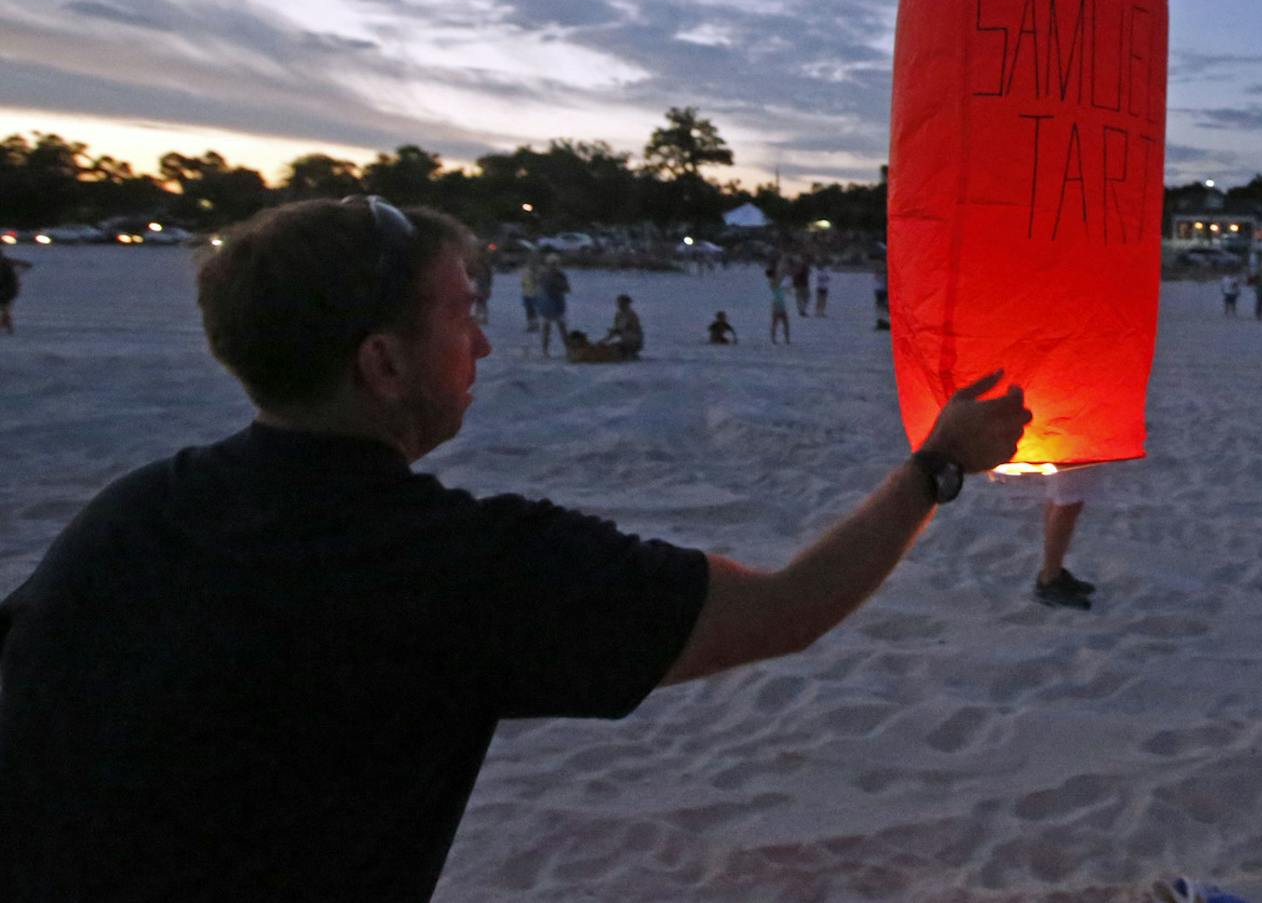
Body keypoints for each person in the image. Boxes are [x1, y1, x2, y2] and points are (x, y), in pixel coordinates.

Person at [0, 195, 1029, 901]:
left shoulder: (131, 515)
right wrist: (936, 467)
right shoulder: (456, 567)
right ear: (383, 363)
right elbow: (785, 610)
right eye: (463, 314)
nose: (486, 343)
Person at [1034, 469, 1101, 611]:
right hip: (1068, 449)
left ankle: (1052, 572)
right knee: (1068, 500)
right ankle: (1050, 579)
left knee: (1061, 496)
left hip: (1066, 449)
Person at [535, 254, 571, 358]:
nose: (553, 266)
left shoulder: (559, 275)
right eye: (552, 264)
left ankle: (567, 349)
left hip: (557, 305)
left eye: (555, 264)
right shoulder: (545, 275)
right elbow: (543, 288)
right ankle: (545, 350)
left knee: (561, 329)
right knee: (548, 329)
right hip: (548, 305)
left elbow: (566, 288)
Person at [601, 294, 644, 360]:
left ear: (627, 303)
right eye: (618, 303)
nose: (620, 305)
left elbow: (633, 329)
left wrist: (618, 331)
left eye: (622, 303)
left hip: (633, 341)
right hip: (624, 339)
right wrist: (603, 341)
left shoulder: (631, 315)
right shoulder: (618, 315)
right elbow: (615, 331)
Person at [0, 251, 28, 334]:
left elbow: (9, 283)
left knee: (4, 306)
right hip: (8, 290)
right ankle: (6, 322)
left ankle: (6, 323)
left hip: (7, 290)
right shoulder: (6, 263)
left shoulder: (5, 266)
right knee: (4, 308)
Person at [767, 268, 791, 345]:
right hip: (777, 304)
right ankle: (774, 339)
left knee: (785, 322)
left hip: (781, 304)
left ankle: (786, 338)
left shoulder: (776, 282)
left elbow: (784, 288)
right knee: (776, 322)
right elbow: (779, 284)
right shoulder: (772, 282)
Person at [471, 250, 494, 327]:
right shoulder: (481, 266)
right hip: (481, 286)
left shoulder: (484, 267)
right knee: (480, 302)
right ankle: (481, 317)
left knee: (482, 303)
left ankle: (483, 317)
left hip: (483, 287)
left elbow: (489, 278)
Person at [518, 254, 540, 332]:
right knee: (529, 310)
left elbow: (538, 281)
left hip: (534, 294)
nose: (531, 263)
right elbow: (523, 281)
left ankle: (535, 324)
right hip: (526, 293)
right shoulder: (525, 270)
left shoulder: (536, 271)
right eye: (530, 261)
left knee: (534, 310)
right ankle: (531, 324)